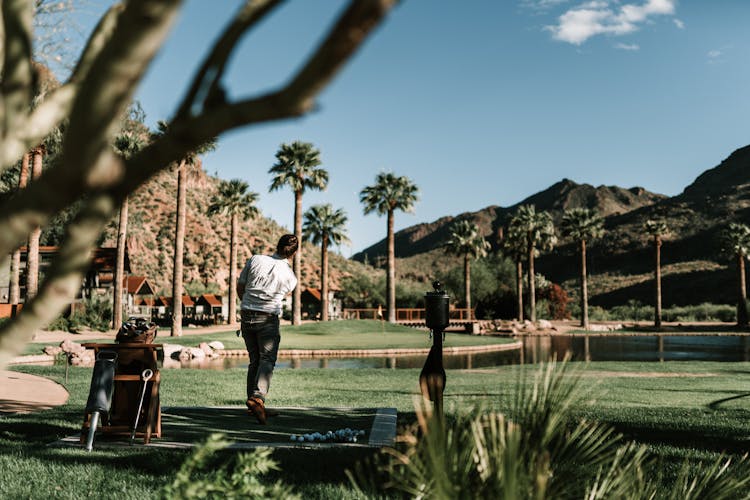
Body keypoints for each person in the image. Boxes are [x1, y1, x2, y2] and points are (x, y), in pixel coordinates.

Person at [237, 234, 298, 424]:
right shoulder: (290, 277)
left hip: (247, 316)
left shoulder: (256, 259)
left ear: (277, 245)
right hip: (268, 319)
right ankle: (257, 398)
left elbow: (241, 287)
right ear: (293, 253)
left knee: (255, 360)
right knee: (267, 359)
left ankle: (254, 405)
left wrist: (249, 305)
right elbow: (282, 295)